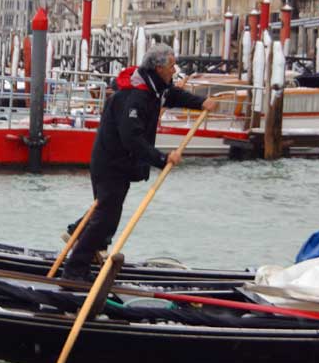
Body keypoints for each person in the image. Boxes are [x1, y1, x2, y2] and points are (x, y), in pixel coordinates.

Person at [62, 44, 219, 282]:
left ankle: (78, 233)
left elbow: (174, 95)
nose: (174, 69)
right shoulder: (135, 96)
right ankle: (74, 271)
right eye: (171, 65)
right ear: (158, 67)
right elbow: (131, 137)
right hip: (110, 161)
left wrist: (201, 103)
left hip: (121, 164)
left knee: (106, 211)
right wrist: (163, 158)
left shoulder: (156, 88)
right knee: (107, 216)